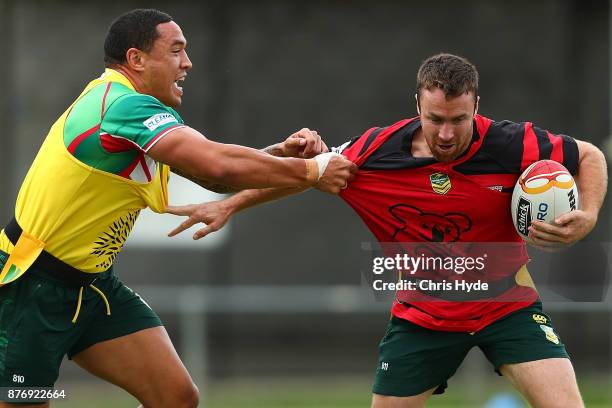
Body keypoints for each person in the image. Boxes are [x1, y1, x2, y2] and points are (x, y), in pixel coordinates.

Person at [167, 53, 607, 408]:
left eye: (459, 119)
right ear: (418, 106)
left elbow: (589, 156)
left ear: (476, 106)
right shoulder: (374, 152)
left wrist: (586, 215)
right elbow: (308, 175)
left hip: (507, 308)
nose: (448, 133)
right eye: (436, 119)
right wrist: (230, 204)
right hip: (423, 319)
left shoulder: (511, 143)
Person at [0, 8, 356, 408]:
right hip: (31, 287)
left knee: (176, 398)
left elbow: (214, 177)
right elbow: (216, 163)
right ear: (136, 60)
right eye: (175, 51)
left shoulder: (132, 110)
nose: (187, 63)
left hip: (93, 286)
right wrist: (311, 170)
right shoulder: (122, 106)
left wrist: (278, 155)